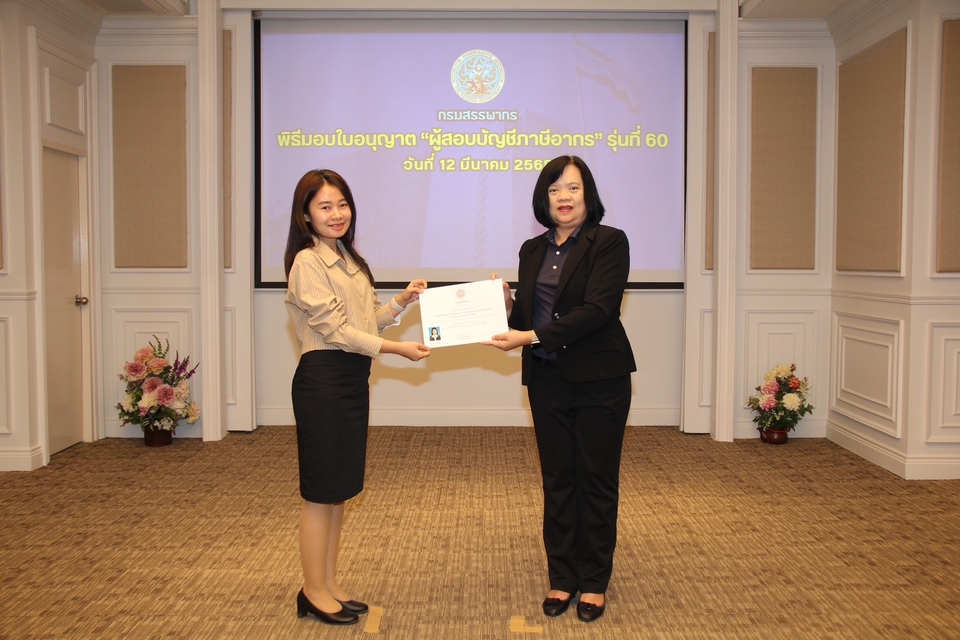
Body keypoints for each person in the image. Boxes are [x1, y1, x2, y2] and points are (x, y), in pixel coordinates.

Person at [483, 155, 635, 623]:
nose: (563, 197)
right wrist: (506, 304)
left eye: (572, 188)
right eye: (554, 190)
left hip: (600, 380)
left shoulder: (609, 242)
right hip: (547, 380)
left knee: (596, 479)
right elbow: (527, 318)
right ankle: (563, 577)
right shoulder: (532, 250)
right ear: (543, 199)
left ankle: (594, 581)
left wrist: (529, 335)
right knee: (558, 480)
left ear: (588, 194)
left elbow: (598, 310)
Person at [284, 169, 431, 626]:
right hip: (323, 382)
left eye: (342, 204)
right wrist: (397, 349)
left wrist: (401, 302)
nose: (337, 214)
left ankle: (327, 583)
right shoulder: (307, 262)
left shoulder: (348, 257)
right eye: (325, 206)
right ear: (306, 215)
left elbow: (364, 322)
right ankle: (312, 591)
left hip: (350, 381)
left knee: (338, 492)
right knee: (319, 494)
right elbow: (336, 332)